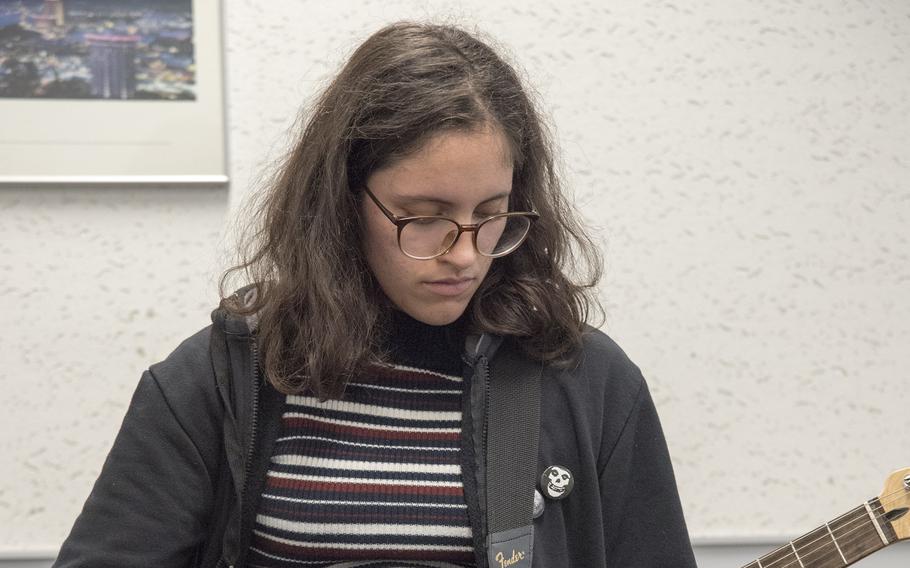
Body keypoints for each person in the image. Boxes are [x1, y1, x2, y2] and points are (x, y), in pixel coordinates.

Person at [54, 22, 697, 568]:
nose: (466, 253)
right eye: (423, 215)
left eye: (491, 214)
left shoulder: (588, 381)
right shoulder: (222, 376)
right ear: (341, 204)